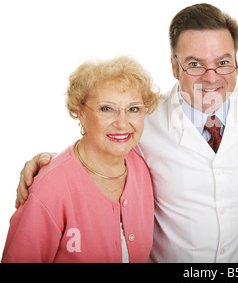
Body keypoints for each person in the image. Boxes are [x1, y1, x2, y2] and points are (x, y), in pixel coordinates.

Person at [15, 4, 238, 262]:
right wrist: (48, 166)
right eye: (195, 64)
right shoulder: (144, 120)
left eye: (223, 62)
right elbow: (101, 151)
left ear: (236, 63)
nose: (211, 77)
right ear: (174, 67)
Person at [3, 56, 159, 262]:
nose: (122, 123)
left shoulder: (142, 167)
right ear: (80, 113)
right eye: (106, 109)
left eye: (133, 109)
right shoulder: (49, 188)